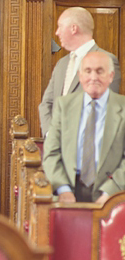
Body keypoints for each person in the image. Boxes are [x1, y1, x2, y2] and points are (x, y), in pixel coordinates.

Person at [43, 51, 125, 204]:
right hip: (68, 191)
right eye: (88, 71)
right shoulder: (64, 106)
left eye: (100, 71)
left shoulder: (123, 108)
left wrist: (110, 193)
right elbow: (51, 152)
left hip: (112, 194)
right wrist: (63, 189)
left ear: (111, 76)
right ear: (80, 76)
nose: (93, 77)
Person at [39, 7, 121, 136]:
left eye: (60, 26)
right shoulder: (62, 64)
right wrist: (50, 134)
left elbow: (104, 107)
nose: (57, 32)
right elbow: (46, 104)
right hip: (57, 149)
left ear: (73, 28)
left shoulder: (106, 59)